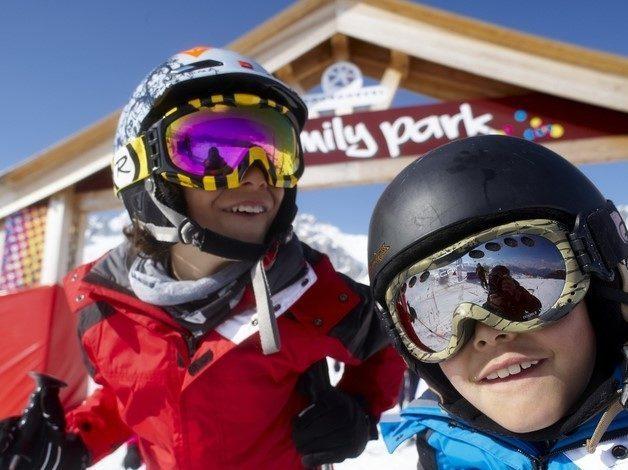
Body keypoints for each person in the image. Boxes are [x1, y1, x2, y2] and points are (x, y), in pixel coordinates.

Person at [0, 47, 404, 469]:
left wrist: (359, 405)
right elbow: (129, 397)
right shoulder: (102, 309)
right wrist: (75, 441)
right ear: (142, 169)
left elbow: (389, 339)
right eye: (213, 152)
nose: (256, 176)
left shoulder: (310, 293)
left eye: (275, 153)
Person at [368, 135, 628, 468]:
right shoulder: (441, 453)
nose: (487, 333)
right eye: (437, 321)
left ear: (600, 290)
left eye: (546, 286)